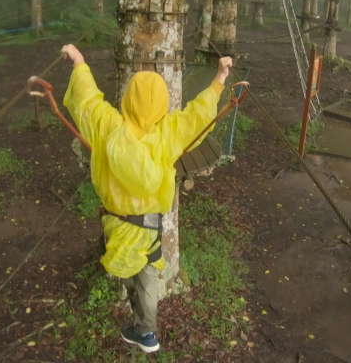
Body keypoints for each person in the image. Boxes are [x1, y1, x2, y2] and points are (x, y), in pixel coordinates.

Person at [61, 44, 232, 353]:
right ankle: (147, 333)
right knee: (148, 273)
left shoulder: (108, 126)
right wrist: (220, 77)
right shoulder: (169, 133)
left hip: (119, 225)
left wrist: (80, 62)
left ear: (128, 98)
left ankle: (141, 326)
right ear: (162, 103)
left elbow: (87, 100)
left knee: (124, 266)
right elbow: (199, 114)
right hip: (151, 226)